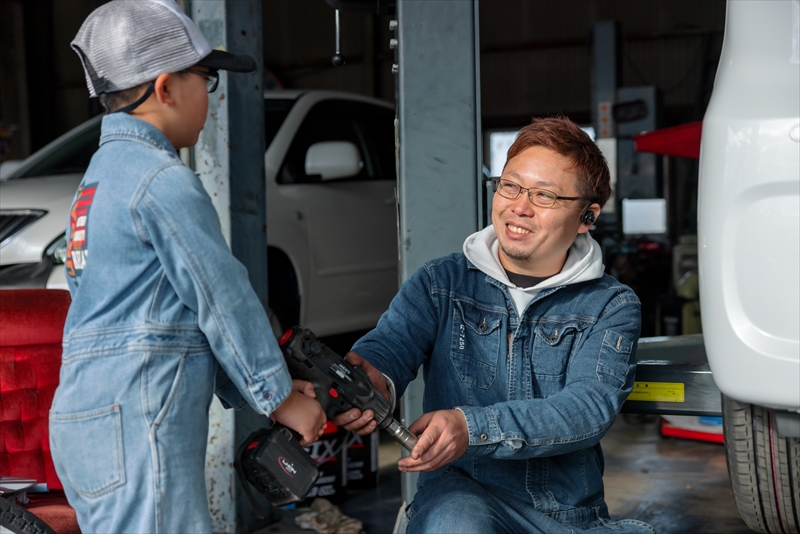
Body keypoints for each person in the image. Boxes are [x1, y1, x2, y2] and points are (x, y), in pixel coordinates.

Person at [48, 1, 326, 532]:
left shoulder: (97, 181)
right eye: (207, 79)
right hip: (138, 419)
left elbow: (173, 313)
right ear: (165, 88)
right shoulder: (160, 180)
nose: (210, 97)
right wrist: (278, 396)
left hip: (90, 420)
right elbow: (221, 297)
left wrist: (260, 389)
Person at [334, 117, 656, 533]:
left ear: (586, 217)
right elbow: (391, 344)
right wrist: (372, 378)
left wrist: (472, 428)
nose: (519, 207)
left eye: (545, 195)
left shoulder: (610, 305)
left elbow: (587, 408)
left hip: (565, 519)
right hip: (459, 500)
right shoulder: (441, 284)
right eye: (511, 186)